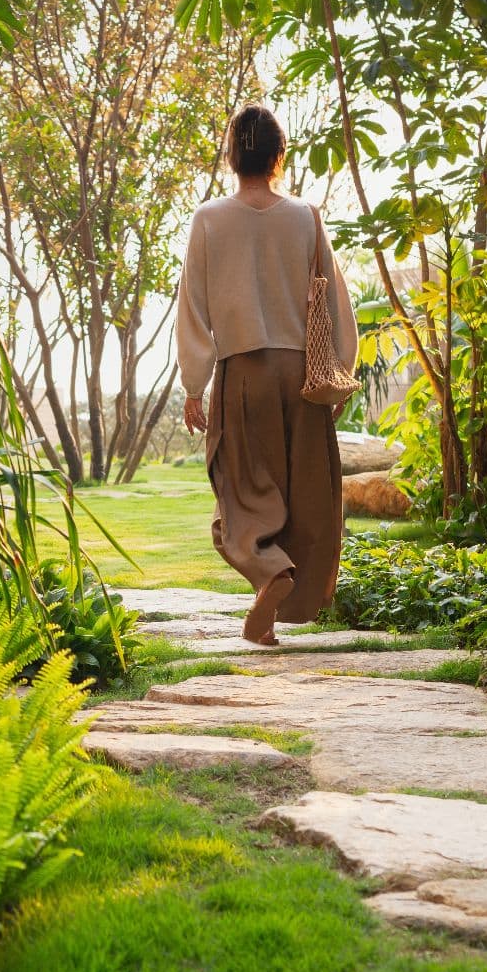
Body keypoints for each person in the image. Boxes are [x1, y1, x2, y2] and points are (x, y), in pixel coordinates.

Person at [174, 105, 357, 647]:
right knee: (303, 497)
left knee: (241, 493)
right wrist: (339, 370)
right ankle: (271, 611)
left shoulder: (208, 219)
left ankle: (268, 572)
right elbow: (333, 298)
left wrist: (193, 384)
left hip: (244, 374)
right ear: (280, 154)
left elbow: (194, 306)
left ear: (232, 156)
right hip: (302, 375)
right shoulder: (305, 215)